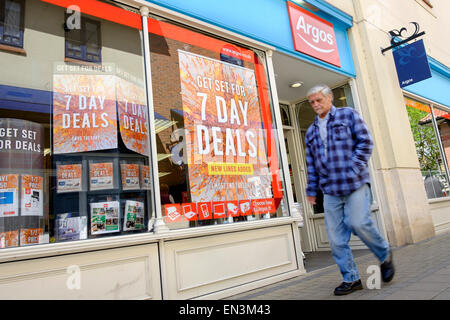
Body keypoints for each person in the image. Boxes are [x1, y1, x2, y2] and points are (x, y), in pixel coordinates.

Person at [304, 84, 395, 296]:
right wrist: (311, 188)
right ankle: (351, 279)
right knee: (335, 240)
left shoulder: (348, 115)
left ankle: (384, 254)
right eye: (312, 102)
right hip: (330, 190)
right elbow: (311, 163)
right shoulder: (311, 131)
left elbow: (365, 142)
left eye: (319, 100)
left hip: (355, 184)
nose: (315, 105)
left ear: (330, 98)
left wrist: (352, 168)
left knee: (358, 222)